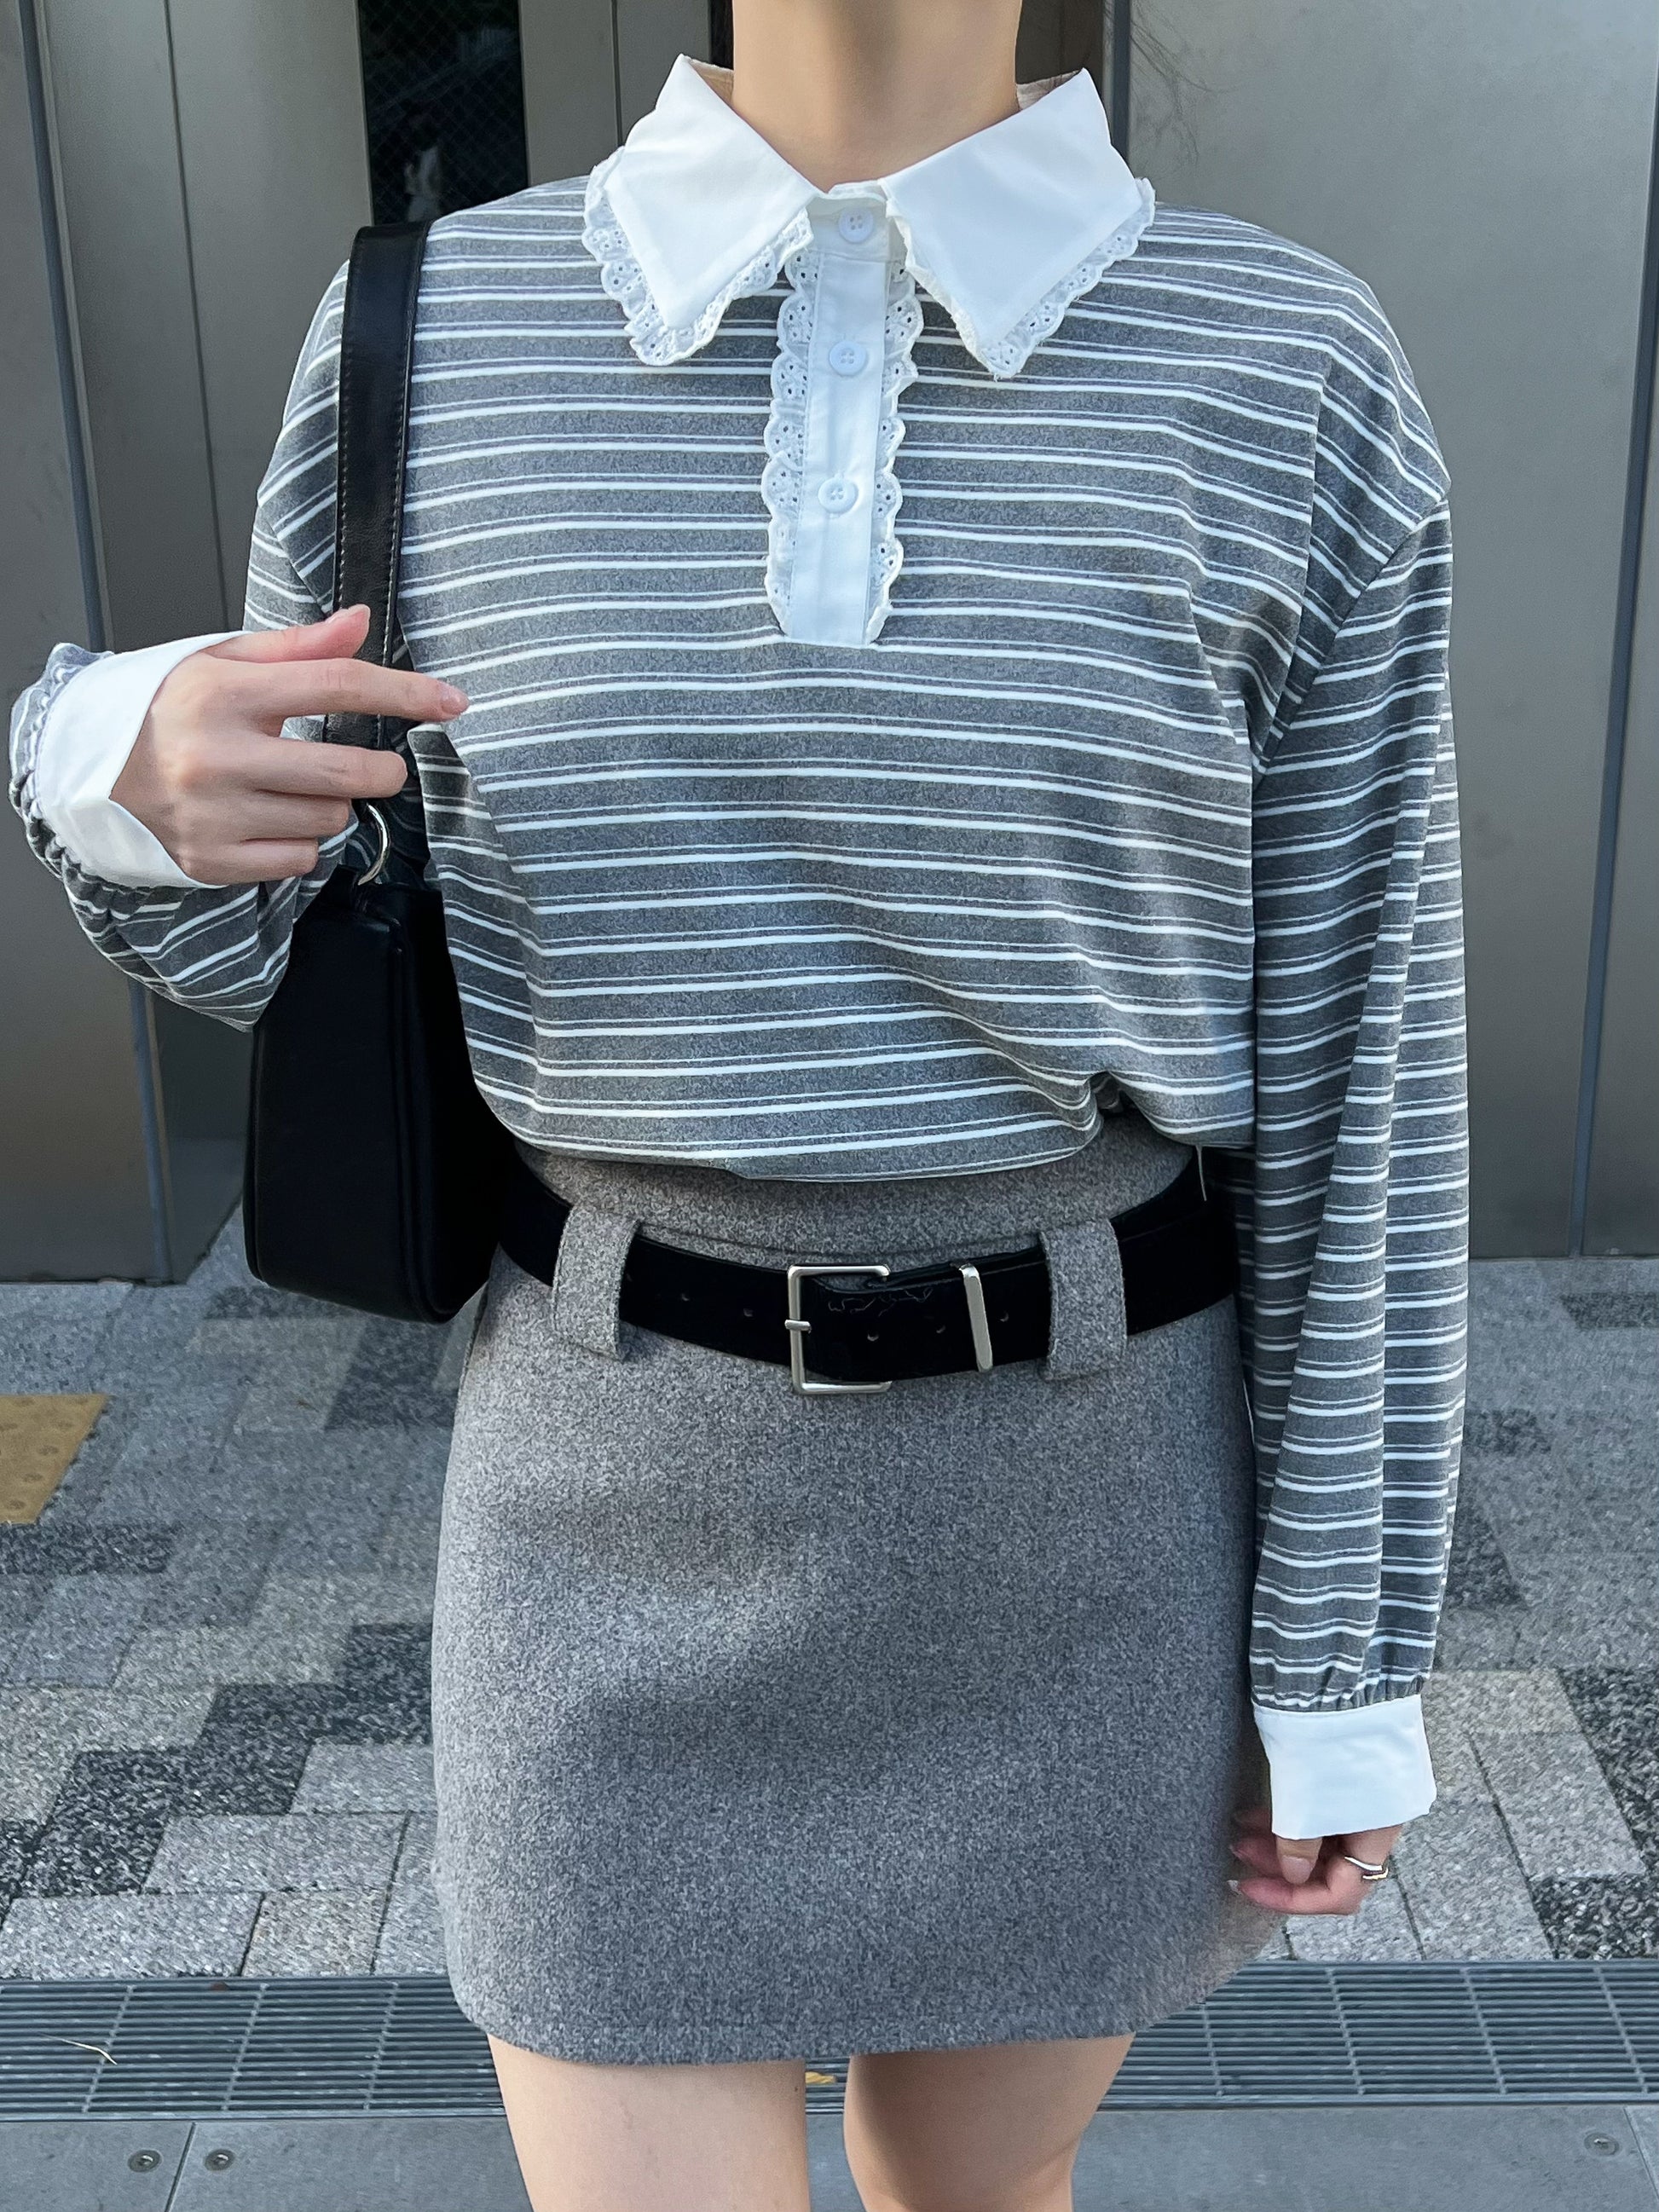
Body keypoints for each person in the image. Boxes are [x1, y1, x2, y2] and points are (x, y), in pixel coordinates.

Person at [9, 1, 1465, 2205]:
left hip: (1086, 1527)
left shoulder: (1286, 363)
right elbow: (291, 946)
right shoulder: (430, 327)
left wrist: (1343, 1653)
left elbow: (1371, 1076)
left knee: (975, 2191)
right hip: (604, 1511)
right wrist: (112, 770)